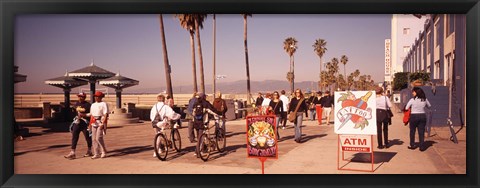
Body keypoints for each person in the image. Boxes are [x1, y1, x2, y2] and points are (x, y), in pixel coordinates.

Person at [64, 92, 93, 160]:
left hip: (85, 123)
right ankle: (72, 152)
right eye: (79, 96)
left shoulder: (88, 105)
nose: (80, 98)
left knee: (88, 137)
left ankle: (89, 150)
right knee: (74, 137)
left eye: (82, 96)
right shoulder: (77, 104)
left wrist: (85, 116)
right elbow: (75, 112)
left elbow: (91, 114)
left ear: (84, 97)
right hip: (77, 123)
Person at [405, 87, 431, 152]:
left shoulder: (412, 100)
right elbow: (429, 106)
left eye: (413, 92)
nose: (412, 93)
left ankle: (412, 145)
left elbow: (406, 108)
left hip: (414, 116)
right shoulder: (424, 99)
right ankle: (421, 146)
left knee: (412, 131)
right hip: (422, 116)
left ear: (417, 92)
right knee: (421, 132)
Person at [88, 91, 109, 159]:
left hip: (100, 121)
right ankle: (96, 153)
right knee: (93, 139)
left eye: (98, 96)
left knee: (98, 138)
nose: (96, 98)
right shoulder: (93, 105)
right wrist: (90, 124)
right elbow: (91, 115)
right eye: (95, 96)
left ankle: (103, 151)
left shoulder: (104, 104)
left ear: (101, 97)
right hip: (94, 122)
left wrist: (103, 123)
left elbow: (106, 114)